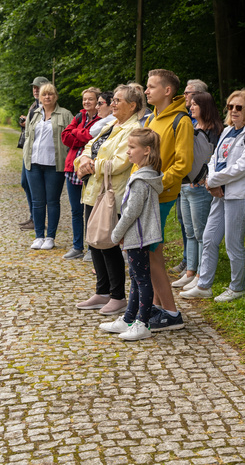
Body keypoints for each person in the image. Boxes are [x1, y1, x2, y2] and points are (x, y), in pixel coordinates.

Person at [180, 89, 245, 303]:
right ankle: (204, 285)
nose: (234, 111)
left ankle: (237, 287)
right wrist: (211, 179)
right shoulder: (228, 130)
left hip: (239, 194)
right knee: (209, 238)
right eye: (230, 107)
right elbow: (214, 158)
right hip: (219, 191)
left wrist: (214, 181)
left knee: (233, 243)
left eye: (239, 107)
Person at [74, 84, 143, 315]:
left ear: (132, 105)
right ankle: (101, 291)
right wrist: (83, 160)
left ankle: (117, 296)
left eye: (118, 101)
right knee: (93, 240)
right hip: (95, 190)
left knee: (108, 243)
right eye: (112, 100)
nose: (112, 104)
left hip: (112, 193)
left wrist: (91, 166)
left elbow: (121, 163)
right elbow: (89, 145)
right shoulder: (113, 124)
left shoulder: (133, 129)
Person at [100, 129, 164, 341]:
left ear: (146, 151)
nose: (128, 152)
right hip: (139, 236)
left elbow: (131, 212)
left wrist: (116, 232)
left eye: (132, 147)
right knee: (137, 279)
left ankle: (142, 323)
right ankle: (129, 318)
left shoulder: (140, 180)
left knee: (142, 280)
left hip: (138, 236)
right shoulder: (145, 175)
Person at [140, 69, 191, 331]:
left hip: (161, 195)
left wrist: (157, 183)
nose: (146, 91)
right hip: (146, 194)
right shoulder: (150, 119)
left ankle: (171, 313)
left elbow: (183, 163)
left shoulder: (181, 121)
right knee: (152, 252)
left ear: (167, 91)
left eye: (151, 87)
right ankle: (159, 308)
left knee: (152, 254)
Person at [172, 91, 223, 290]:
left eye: (195, 104)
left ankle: (202, 273)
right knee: (190, 231)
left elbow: (214, 160)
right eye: (190, 104)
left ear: (205, 106)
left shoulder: (216, 130)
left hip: (200, 188)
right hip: (185, 185)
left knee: (201, 233)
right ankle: (190, 271)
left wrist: (203, 178)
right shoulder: (190, 127)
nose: (191, 107)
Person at [22, 82, 73, 250]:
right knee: (37, 202)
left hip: (54, 164)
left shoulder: (65, 114)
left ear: (55, 96)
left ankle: (50, 237)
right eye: (44, 94)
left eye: (50, 94)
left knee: (52, 201)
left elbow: (72, 137)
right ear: (40, 97)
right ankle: (38, 236)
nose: (47, 97)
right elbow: (29, 136)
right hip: (34, 164)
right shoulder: (34, 113)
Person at [170, 78, 211, 277]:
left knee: (198, 229)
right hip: (183, 180)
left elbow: (207, 156)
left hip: (197, 183)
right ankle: (189, 262)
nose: (185, 96)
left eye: (189, 93)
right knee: (185, 224)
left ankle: (196, 268)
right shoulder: (184, 117)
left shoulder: (208, 126)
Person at [60, 87, 101, 259]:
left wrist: (77, 135)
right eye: (84, 99)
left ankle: (92, 248)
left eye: (90, 99)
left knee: (90, 210)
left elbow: (92, 138)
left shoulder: (103, 120)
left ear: (97, 101)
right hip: (72, 168)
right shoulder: (79, 117)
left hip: (89, 170)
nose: (86, 102)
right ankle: (77, 246)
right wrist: (83, 135)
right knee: (76, 210)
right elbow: (65, 137)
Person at [18, 76, 48, 230]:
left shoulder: (47, 106)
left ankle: (37, 220)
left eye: (38, 87)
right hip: (28, 150)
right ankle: (33, 217)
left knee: (36, 188)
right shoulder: (34, 105)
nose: (35, 90)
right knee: (25, 183)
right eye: (34, 87)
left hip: (38, 153)